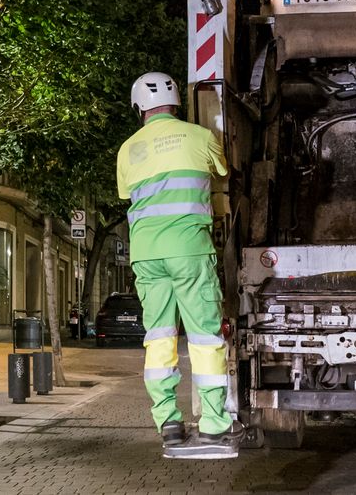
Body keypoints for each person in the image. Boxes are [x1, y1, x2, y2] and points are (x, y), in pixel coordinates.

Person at [116, 71, 242, 459]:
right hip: (188, 250)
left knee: (159, 337)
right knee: (204, 336)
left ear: (139, 107)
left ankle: (168, 424)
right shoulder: (200, 137)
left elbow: (129, 197)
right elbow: (223, 173)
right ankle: (214, 426)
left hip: (146, 255)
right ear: (176, 103)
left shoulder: (127, 150)